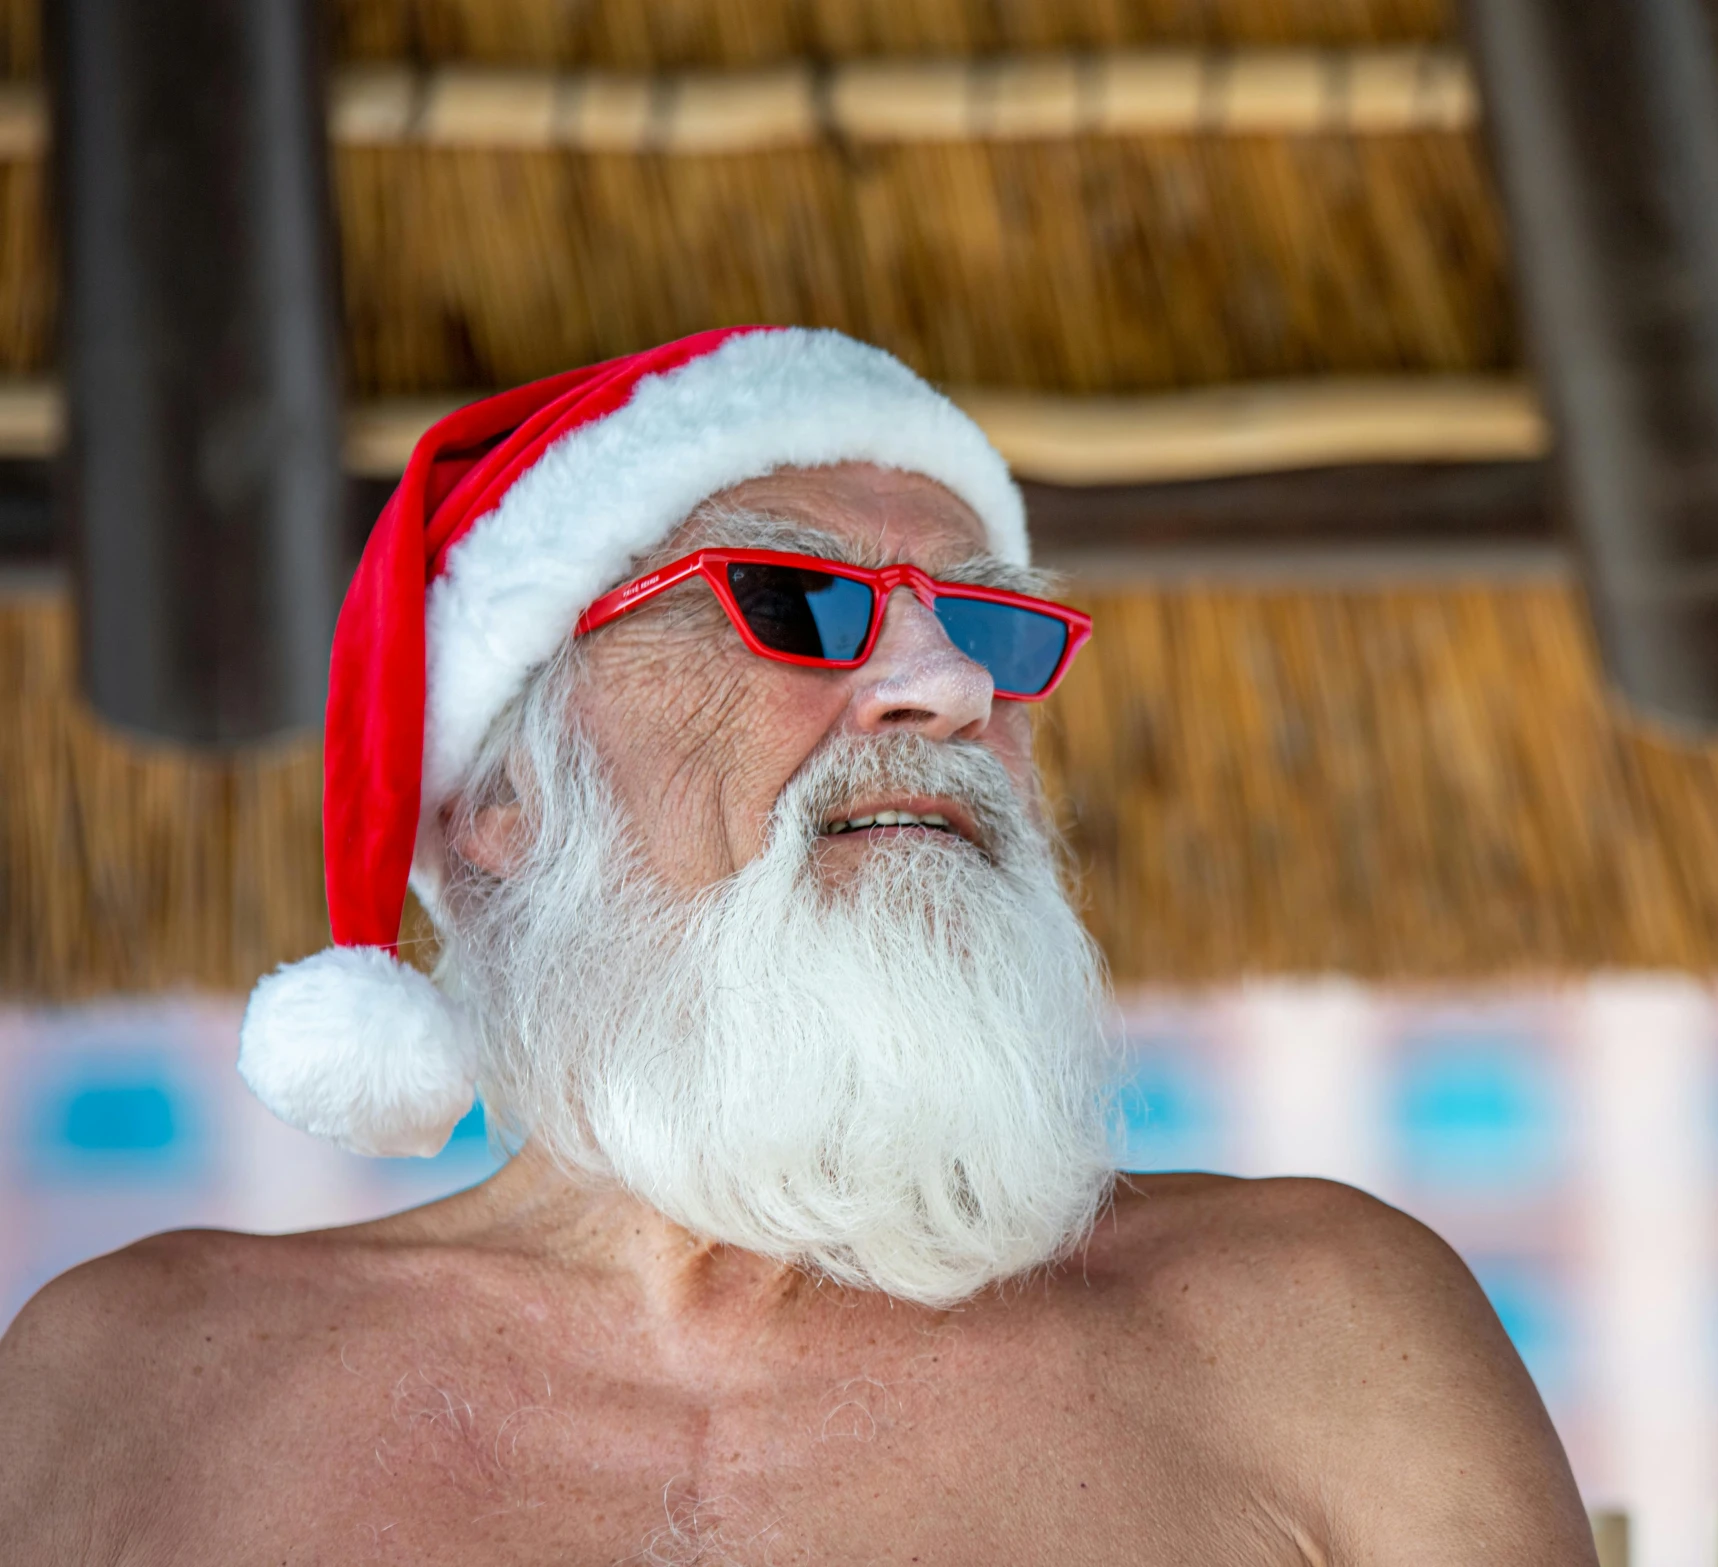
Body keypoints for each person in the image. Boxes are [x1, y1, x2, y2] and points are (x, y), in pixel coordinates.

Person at [0, 328, 1594, 1564]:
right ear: (496, 795)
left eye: (990, 625)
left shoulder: (1324, 1329)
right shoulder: (135, 1383)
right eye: (791, 598)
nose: (948, 688)